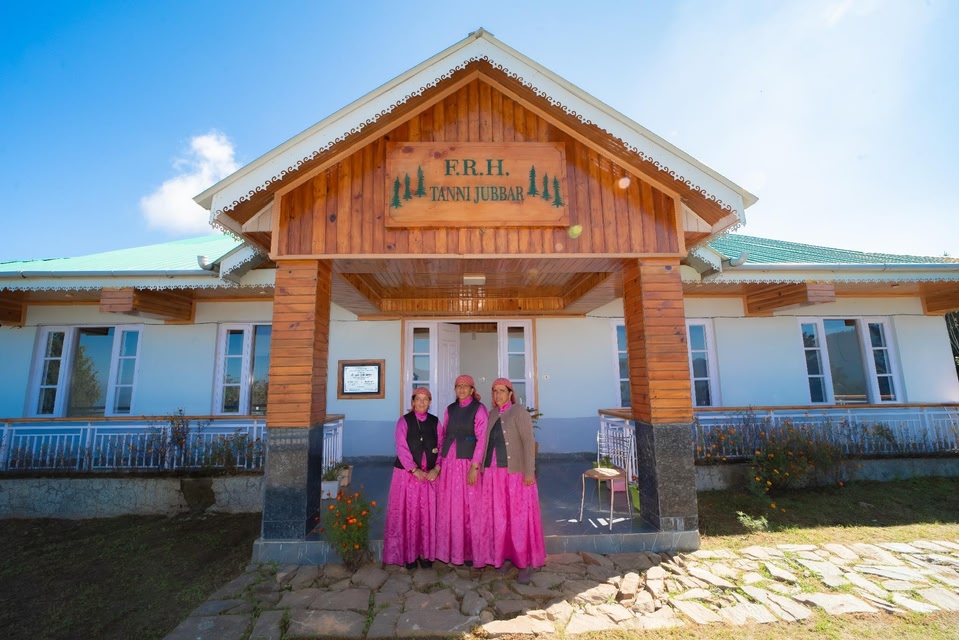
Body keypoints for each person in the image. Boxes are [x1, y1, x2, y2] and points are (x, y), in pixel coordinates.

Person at [478, 377, 546, 584]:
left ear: (510, 393)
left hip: (515, 474)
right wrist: (481, 469)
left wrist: (529, 472)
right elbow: (485, 444)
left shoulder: (519, 412)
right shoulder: (491, 414)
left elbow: (528, 443)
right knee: (500, 519)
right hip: (493, 475)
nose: (497, 394)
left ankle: (524, 563)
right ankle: (507, 557)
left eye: (502, 390)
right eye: (494, 391)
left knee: (518, 519)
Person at [381, 386, 440, 570]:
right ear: (413, 402)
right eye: (418, 399)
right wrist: (414, 470)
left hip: (429, 477)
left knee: (427, 517)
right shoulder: (403, 422)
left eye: (425, 399)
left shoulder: (435, 422)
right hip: (407, 477)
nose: (421, 402)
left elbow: (441, 447)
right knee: (409, 516)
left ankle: (426, 554)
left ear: (430, 403)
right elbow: (401, 447)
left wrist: (437, 469)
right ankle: (410, 555)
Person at [434, 374, 489, 567]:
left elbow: (482, 439)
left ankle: (470, 553)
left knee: (469, 508)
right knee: (450, 506)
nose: (462, 389)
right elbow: (444, 436)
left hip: (468, 464)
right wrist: (440, 463)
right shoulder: (450, 409)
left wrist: (475, 466)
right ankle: (450, 551)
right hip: (449, 464)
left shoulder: (479, 410)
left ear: (472, 390)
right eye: (458, 386)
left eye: (466, 386)